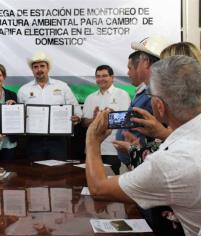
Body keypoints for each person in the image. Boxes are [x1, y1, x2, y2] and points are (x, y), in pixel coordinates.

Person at [86, 55, 201, 236]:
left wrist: (92, 140)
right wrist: (161, 134)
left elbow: (99, 189)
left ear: (159, 106)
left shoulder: (169, 162)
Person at [114, 36, 170, 166]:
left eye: (131, 67)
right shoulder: (147, 89)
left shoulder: (156, 93)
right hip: (140, 158)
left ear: (145, 62)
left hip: (147, 161)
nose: (128, 72)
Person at [17, 52, 82, 161]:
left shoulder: (62, 86)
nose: (39, 69)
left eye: (42, 66)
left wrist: (76, 118)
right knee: (36, 172)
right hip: (33, 141)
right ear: (32, 70)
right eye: (35, 67)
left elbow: (77, 111)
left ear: (48, 68)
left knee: (58, 173)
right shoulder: (24, 90)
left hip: (58, 140)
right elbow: (19, 115)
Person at [82, 65, 130, 174]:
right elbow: (84, 123)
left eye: (104, 76)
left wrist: (107, 117)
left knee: (111, 182)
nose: (101, 79)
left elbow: (126, 121)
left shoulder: (122, 95)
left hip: (113, 149)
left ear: (112, 77)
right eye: (98, 76)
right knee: (92, 183)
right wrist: (94, 119)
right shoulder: (90, 97)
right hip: (92, 149)